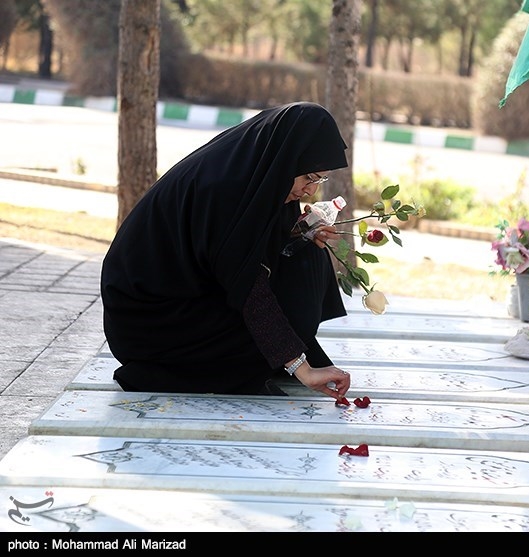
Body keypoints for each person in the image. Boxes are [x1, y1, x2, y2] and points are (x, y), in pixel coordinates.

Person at [100, 101, 351, 400]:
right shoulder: (225, 187)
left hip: (187, 297)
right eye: (309, 178)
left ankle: (263, 359)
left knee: (307, 254)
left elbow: (250, 251)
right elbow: (247, 284)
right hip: (150, 325)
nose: (311, 190)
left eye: (319, 180)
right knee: (285, 304)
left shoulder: (258, 170)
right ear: (287, 160)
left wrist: (299, 233)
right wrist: (301, 368)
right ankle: (185, 369)